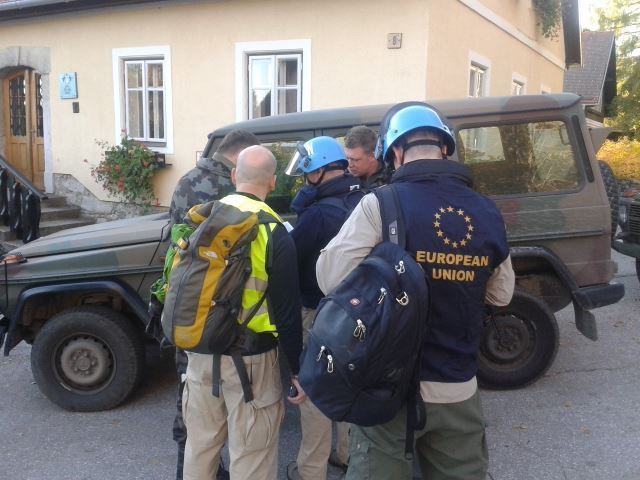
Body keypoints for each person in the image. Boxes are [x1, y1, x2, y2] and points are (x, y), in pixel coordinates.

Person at [316, 103, 515, 480]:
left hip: (390, 389)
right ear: (445, 148)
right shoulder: (486, 210)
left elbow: (329, 277)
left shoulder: (381, 203)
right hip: (459, 387)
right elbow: (502, 295)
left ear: (394, 151)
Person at [182, 145, 304, 479]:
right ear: (273, 182)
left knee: (200, 448)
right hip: (252, 360)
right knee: (252, 455)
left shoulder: (204, 216)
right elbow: (287, 313)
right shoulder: (273, 230)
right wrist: (297, 370)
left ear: (235, 175)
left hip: (201, 350)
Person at [167, 129, 260, 480]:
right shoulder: (227, 191)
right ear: (240, 158)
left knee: (190, 393)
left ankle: (194, 468)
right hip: (212, 309)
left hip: (184, 302)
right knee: (213, 401)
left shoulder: (187, 179)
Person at [284, 136, 363, 480]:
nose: (304, 180)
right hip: (357, 311)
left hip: (317, 310)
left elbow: (290, 257)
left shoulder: (317, 214)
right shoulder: (363, 200)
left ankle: (310, 470)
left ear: (319, 171)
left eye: (307, 173)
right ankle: (347, 454)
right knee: (348, 381)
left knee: (315, 389)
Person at [344, 125, 386, 190]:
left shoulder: (390, 178)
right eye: (347, 158)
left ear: (373, 156)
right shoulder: (342, 178)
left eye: (355, 160)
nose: (349, 165)